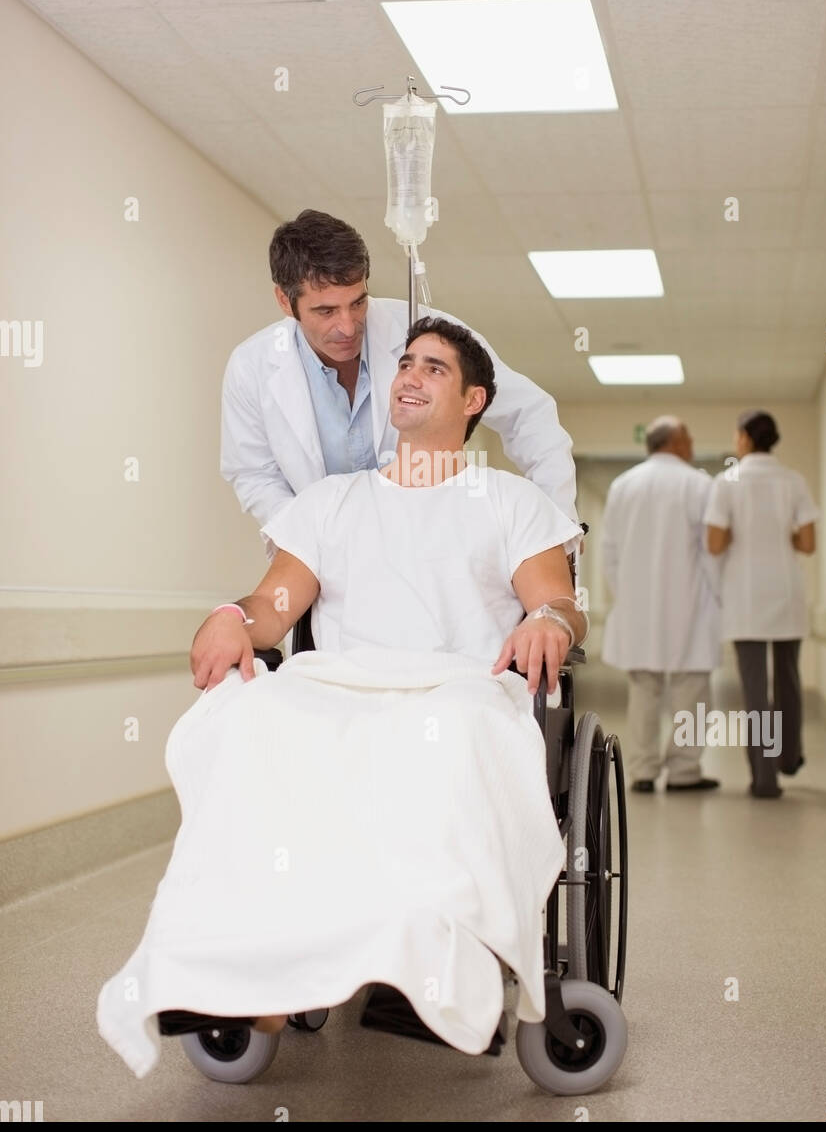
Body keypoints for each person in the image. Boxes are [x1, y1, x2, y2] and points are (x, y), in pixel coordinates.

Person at [97, 320, 587, 1073]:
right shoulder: (333, 503)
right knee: (255, 715)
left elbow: (555, 600)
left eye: (434, 367)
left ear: (474, 399)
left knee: (449, 734)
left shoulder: (508, 501)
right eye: (404, 364)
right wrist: (234, 618)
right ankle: (231, 965)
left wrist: (548, 621)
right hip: (341, 685)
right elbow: (273, 606)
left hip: (460, 687)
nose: (408, 377)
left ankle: (430, 953)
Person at [220, 209, 580, 548]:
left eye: (358, 302)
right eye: (326, 311)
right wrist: (304, 542)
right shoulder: (252, 365)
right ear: (285, 301)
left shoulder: (427, 333)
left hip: (431, 545)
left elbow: (528, 413)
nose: (347, 326)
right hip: (326, 561)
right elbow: (253, 473)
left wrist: (557, 529)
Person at [600, 416, 721, 793]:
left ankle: (643, 771)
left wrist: (628, 595)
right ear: (676, 443)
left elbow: (609, 551)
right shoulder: (700, 483)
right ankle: (685, 770)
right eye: (689, 437)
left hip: (637, 609)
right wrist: (718, 599)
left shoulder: (623, 485)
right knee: (693, 692)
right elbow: (711, 554)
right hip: (691, 605)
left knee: (643, 691)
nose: (693, 443)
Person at [704, 410, 819, 799]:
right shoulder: (794, 481)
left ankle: (764, 776)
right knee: (789, 679)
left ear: (744, 439)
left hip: (746, 597)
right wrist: (778, 532)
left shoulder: (727, 482)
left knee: (756, 689)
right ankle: (789, 757)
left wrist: (742, 532)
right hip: (787, 592)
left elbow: (715, 543)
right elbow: (807, 543)